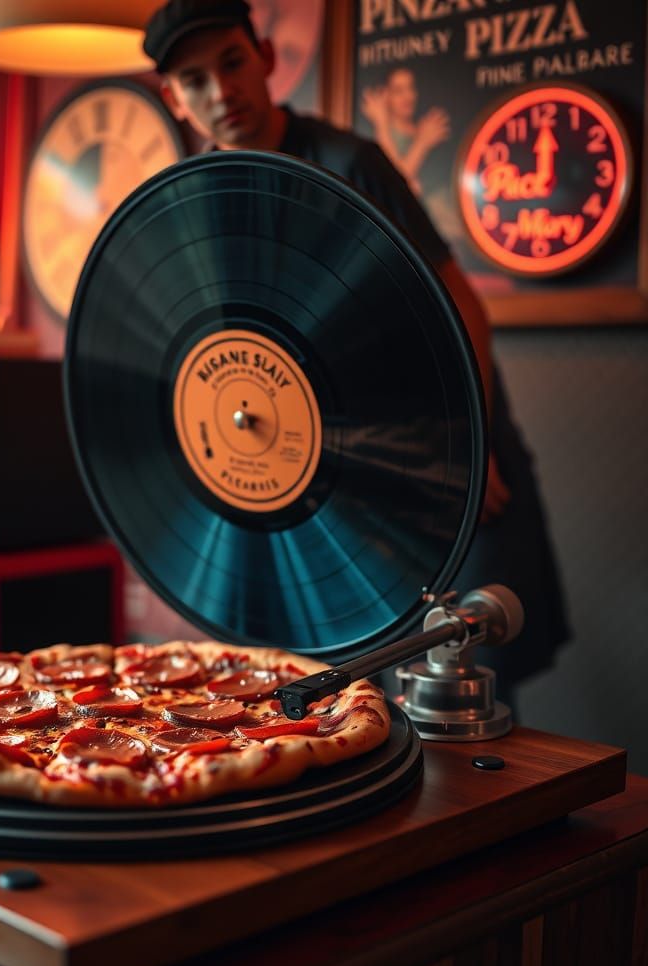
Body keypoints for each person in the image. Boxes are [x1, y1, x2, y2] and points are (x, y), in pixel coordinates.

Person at [142, 0, 570, 702]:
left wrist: (474, 442)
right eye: (194, 80)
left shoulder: (352, 163)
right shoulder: (197, 197)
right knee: (344, 684)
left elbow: (463, 303)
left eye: (232, 63)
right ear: (173, 96)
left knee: (470, 673)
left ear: (268, 58)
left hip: (446, 442)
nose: (221, 92)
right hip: (332, 468)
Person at [360, 66, 449, 196]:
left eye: (411, 88)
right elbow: (395, 180)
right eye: (398, 90)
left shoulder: (428, 129)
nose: (408, 96)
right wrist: (421, 144)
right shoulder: (380, 136)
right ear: (385, 95)